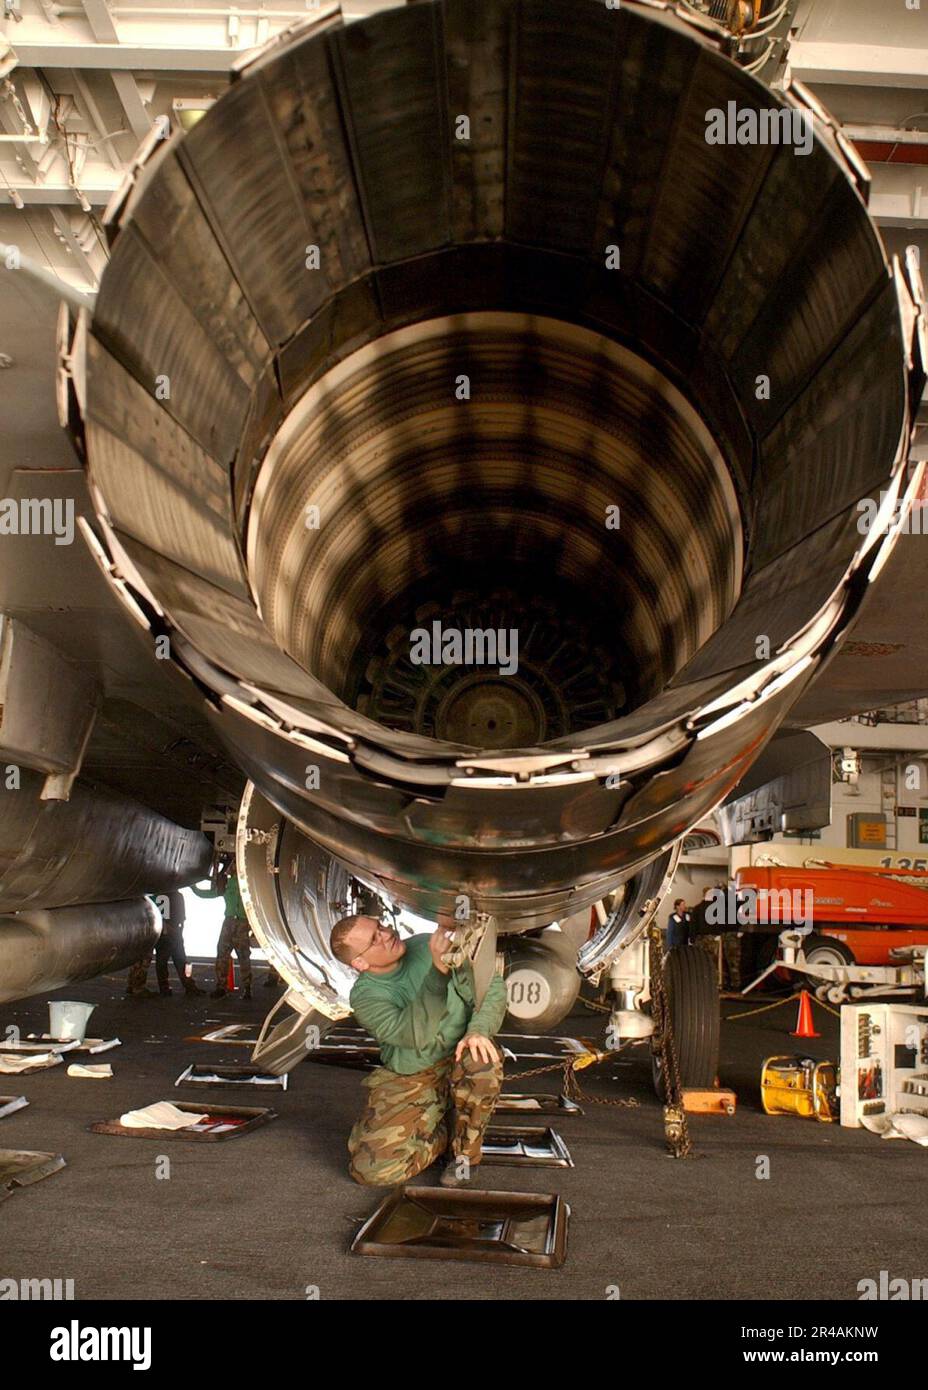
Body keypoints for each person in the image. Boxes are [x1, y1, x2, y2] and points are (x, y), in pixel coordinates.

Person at [330, 914, 507, 1189]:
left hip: (459, 1055)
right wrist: (438, 972)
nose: (386, 934)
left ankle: (465, 1155)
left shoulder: (426, 946)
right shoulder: (365, 997)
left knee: (481, 1061)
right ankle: (444, 1134)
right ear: (360, 963)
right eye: (374, 939)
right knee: (371, 1172)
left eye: (381, 927)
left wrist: (479, 1030)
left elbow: (489, 985)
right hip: (413, 1074)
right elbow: (415, 1034)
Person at [192, 866, 253, 1000]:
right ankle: (245, 988)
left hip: (233, 922)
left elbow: (207, 894)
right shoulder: (248, 883)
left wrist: (193, 886)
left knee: (224, 954)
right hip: (239, 922)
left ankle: (223, 987)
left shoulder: (229, 883)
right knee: (241, 956)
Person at [153, 889, 204, 996]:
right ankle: (188, 985)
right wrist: (177, 931)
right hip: (172, 933)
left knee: (163, 961)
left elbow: (162, 917)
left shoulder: (161, 895)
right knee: (180, 960)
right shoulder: (176, 896)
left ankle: (165, 987)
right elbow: (179, 918)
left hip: (166, 933)